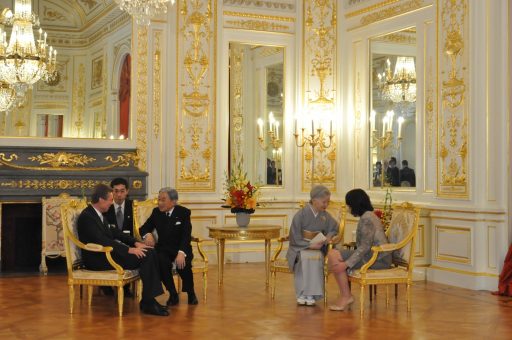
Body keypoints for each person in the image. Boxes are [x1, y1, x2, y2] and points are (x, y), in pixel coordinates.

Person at [77, 184, 169, 316]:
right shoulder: (87, 217)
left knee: (150, 251)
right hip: (98, 260)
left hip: (108, 254)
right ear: (101, 200)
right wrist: (128, 250)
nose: (111, 202)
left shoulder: (98, 214)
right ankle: (148, 302)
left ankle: (149, 300)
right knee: (147, 255)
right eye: (110, 199)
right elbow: (103, 241)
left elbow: (116, 233)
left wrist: (136, 242)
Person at [327, 188, 391, 311]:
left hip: (378, 259)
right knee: (333, 254)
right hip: (371, 255)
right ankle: (346, 295)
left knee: (333, 255)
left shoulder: (367, 218)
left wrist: (346, 264)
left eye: (349, 205)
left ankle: (346, 296)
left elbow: (365, 247)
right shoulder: (367, 216)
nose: (348, 208)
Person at [140, 188, 198, 306]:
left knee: (183, 264)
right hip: (164, 249)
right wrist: (148, 235)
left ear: (173, 201)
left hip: (181, 248)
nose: (160, 203)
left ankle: (191, 292)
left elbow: (186, 236)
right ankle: (172, 293)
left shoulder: (184, 213)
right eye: (159, 199)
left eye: (163, 200)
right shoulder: (156, 212)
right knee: (161, 262)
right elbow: (144, 228)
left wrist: (181, 253)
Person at [286, 185, 339, 306]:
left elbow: (335, 228)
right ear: (314, 200)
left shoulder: (325, 215)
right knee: (304, 257)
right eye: (323, 202)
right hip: (300, 247)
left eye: (327, 202)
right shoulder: (300, 215)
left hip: (318, 248)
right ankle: (301, 293)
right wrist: (309, 245)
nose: (326, 205)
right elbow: (294, 237)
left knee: (316, 258)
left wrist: (329, 236)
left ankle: (312, 294)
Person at [102, 177, 135, 297]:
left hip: (128, 243)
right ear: (111, 192)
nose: (119, 195)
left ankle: (126, 287)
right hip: (110, 243)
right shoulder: (105, 206)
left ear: (127, 191)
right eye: (116, 191)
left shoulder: (134, 207)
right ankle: (105, 284)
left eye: (122, 191)